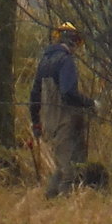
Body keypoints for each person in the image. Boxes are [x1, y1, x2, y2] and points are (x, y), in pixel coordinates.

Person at [31, 23, 95, 196]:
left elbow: (34, 95)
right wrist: (90, 104)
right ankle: (63, 210)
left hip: (49, 123)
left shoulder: (44, 61)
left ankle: (49, 202)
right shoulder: (65, 60)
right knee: (69, 171)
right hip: (65, 121)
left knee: (60, 167)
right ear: (73, 41)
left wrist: (36, 123)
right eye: (77, 43)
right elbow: (68, 93)